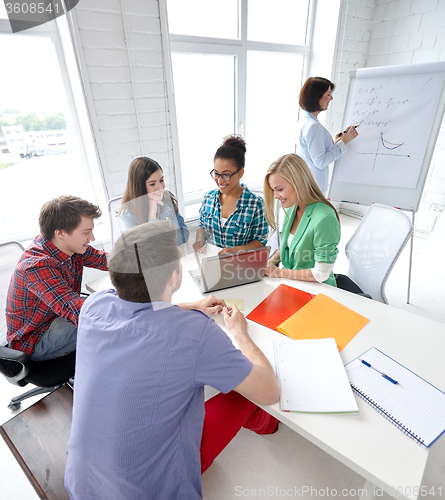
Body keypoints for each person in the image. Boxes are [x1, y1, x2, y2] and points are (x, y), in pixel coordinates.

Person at [64, 220, 280, 499]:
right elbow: (268, 391)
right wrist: (240, 334)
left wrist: (193, 305)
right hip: (149, 491)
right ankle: (271, 426)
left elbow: (140, 308)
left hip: (82, 483)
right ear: (174, 277)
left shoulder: (94, 305)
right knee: (244, 394)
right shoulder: (196, 333)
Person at [6, 195, 108, 360]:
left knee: (107, 305)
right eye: (86, 232)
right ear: (60, 233)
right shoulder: (37, 265)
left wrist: (144, 260)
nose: (92, 238)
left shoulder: (67, 245)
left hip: (56, 316)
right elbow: (73, 309)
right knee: (107, 323)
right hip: (35, 339)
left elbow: (105, 259)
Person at [263, 154, 340, 287]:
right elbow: (287, 245)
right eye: (273, 190)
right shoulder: (293, 208)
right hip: (292, 285)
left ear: (298, 182)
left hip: (317, 291)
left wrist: (280, 272)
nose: (275, 196)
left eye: (279, 189)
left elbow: (321, 273)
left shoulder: (324, 218)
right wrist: (269, 263)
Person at [193, 135, 268, 255]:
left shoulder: (256, 204)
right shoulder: (208, 198)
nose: (220, 180)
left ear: (240, 173)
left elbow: (260, 241)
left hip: (241, 267)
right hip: (212, 263)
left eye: (226, 175)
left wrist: (235, 251)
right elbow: (201, 226)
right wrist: (200, 240)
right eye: (216, 174)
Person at [296, 76, 358, 193]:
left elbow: (312, 153)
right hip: (313, 188)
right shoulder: (313, 126)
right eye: (328, 94)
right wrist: (344, 142)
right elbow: (320, 162)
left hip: (306, 184)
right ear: (316, 97)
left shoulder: (305, 120)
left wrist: (335, 143)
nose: (331, 98)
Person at [118, 156, 189, 246]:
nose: (160, 187)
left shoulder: (167, 198)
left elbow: (183, 234)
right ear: (139, 187)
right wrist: (152, 214)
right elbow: (144, 249)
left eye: (161, 180)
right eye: (152, 184)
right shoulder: (127, 214)